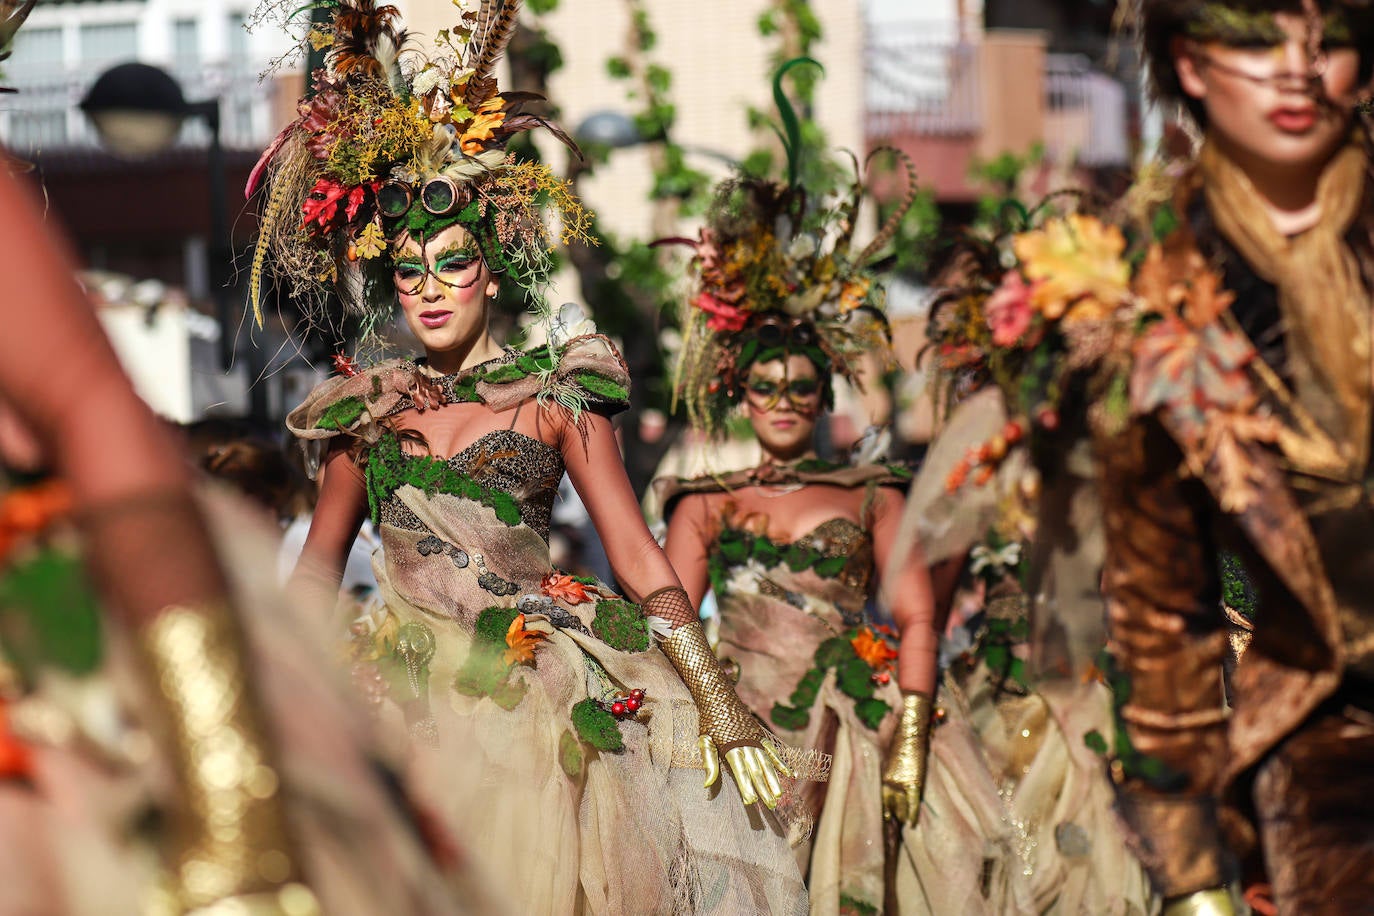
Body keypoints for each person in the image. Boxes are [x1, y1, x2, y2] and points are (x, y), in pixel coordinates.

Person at [262, 3, 811, 912]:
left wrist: (713, 694)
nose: (430, 291)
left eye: (452, 264)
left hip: (532, 693)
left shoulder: (559, 395)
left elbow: (636, 557)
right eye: (410, 271)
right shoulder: (365, 418)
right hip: (407, 705)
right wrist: (275, 687)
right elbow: (317, 571)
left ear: (491, 270)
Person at [1091, 2, 1374, 912]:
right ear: (1192, 61)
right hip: (1325, 774)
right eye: (1257, 37)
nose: (1298, 66)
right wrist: (1190, 880)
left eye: (1330, 35)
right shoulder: (1148, 295)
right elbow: (1161, 613)